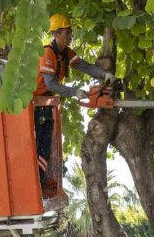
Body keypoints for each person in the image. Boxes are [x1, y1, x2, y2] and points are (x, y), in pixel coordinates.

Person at [33, 14, 114, 190]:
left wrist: (103, 74)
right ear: (56, 34)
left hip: (46, 104)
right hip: (35, 104)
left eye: (71, 31)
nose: (71, 35)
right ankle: (36, 184)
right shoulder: (47, 53)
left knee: (49, 143)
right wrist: (75, 92)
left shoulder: (65, 53)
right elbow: (51, 84)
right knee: (42, 143)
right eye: (67, 32)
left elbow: (83, 66)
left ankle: (41, 180)